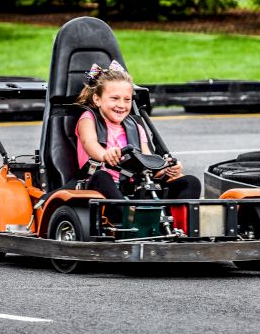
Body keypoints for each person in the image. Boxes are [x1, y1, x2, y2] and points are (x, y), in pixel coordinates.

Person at [75, 60, 201, 219]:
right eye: (114, 98)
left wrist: (167, 169)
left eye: (126, 100)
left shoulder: (135, 126)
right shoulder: (88, 119)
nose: (121, 105)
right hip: (98, 186)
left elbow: (147, 162)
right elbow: (90, 143)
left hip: (134, 187)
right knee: (102, 177)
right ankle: (130, 221)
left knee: (190, 182)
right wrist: (104, 155)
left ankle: (177, 225)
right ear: (97, 99)